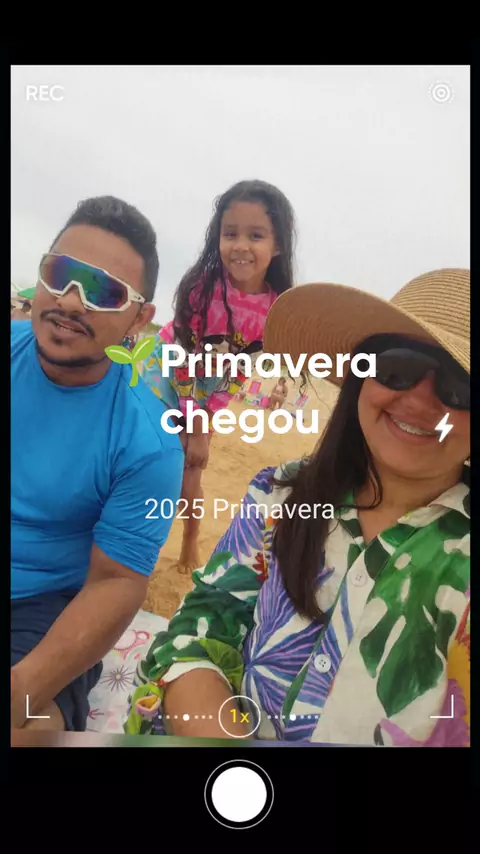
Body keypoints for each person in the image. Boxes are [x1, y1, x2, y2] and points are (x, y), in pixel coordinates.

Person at [126, 268, 470, 747]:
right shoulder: (280, 494)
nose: (419, 401)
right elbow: (197, 629)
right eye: (398, 369)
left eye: (459, 387)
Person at [11, 196, 184, 733]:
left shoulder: (150, 440)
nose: (71, 300)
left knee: (27, 729)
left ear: (140, 318)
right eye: (60, 273)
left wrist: (20, 689)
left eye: (103, 292)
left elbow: (116, 581)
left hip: (41, 605)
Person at [142, 179, 296, 573]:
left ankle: (189, 541)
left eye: (255, 235)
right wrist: (193, 423)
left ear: (278, 245)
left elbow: (239, 371)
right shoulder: (202, 289)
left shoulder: (276, 308)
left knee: (192, 467)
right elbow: (181, 359)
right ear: (218, 238)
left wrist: (204, 423)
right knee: (150, 452)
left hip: (209, 388)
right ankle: (136, 533)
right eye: (230, 234)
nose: (240, 245)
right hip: (166, 374)